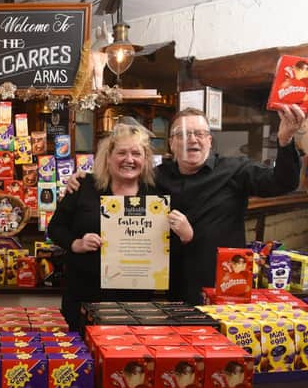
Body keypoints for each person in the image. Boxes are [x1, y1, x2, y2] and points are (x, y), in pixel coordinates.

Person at [67, 105, 306, 305]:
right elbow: (119, 180)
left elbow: (282, 183)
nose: (192, 139)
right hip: (172, 287)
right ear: (171, 143)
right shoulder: (156, 177)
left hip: (223, 284)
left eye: (199, 133)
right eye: (182, 134)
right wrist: (82, 180)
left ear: (209, 141)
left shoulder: (235, 170)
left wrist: (284, 141)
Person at [48, 123, 193, 330]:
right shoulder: (83, 186)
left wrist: (186, 235)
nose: (129, 159)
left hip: (136, 301)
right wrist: (75, 243)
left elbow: (170, 247)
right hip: (84, 295)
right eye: (122, 153)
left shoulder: (157, 195)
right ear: (108, 157)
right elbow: (56, 228)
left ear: (145, 160)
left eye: (136, 153)